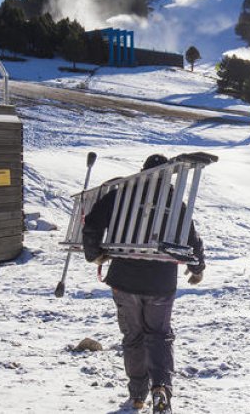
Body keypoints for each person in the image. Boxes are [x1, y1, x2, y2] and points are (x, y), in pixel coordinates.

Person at [82, 153, 206, 413]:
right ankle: (160, 387)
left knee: (133, 336)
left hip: (124, 279)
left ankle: (138, 396)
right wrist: (197, 268)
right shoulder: (173, 200)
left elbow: (91, 224)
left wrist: (95, 254)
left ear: (142, 171)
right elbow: (191, 239)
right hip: (160, 282)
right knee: (159, 335)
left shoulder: (121, 194)